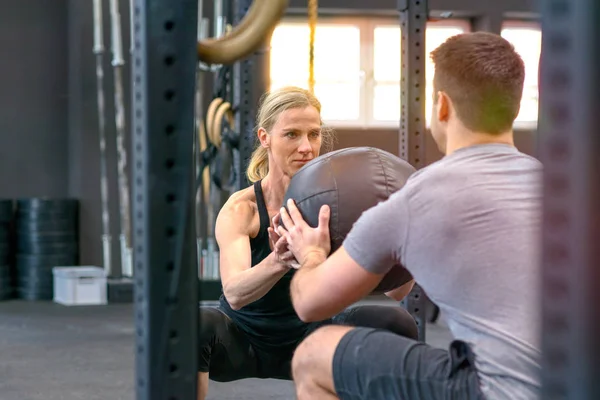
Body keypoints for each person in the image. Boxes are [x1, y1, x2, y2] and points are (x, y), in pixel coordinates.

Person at [277, 32, 542, 400]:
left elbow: (309, 303)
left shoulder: (416, 200)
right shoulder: (559, 188)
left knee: (313, 354)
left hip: (496, 391)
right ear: (514, 108)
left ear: (442, 106)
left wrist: (311, 254)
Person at [196, 86, 419, 400]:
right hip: (244, 341)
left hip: (312, 337)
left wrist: (401, 239)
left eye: (314, 134)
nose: (306, 147)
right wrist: (280, 258)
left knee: (396, 322)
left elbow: (397, 291)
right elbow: (234, 294)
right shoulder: (242, 209)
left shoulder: (335, 207)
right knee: (194, 326)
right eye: (291, 134)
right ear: (264, 138)